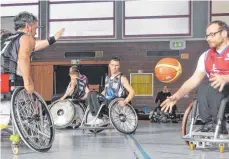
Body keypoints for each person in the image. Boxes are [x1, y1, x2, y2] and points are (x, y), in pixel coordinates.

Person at [161, 20, 229, 134]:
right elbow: (194, 80)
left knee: (214, 86)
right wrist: (177, 96)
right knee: (203, 86)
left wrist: (226, 78)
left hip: (225, 89)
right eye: (207, 36)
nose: (208, 38)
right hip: (215, 91)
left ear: (224, 33)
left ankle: (218, 123)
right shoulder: (206, 55)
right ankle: (210, 123)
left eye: (212, 35)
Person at [1, 11, 65, 93]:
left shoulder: (7, 39)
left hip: (3, 78)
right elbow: (23, 58)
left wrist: (53, 39)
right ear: (28, 27)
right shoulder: (26, 37)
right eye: (35, 28)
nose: (36, 32)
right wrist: (27, 83)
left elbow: (33, 46)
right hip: (12, 80)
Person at [86, 56, 135, 125]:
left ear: (119, 66)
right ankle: (96, 116)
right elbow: (104, 92)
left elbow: (132, 92)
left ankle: (100, 118)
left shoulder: (122, 78)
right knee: (90, 94)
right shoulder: (108, 78)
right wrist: (96, 98)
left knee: (94, 94)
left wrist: (125, 101)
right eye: (112, 65)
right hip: (107, 101)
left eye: (116, 65)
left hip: (115, 102)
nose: (114, 67)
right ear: (109, 65)